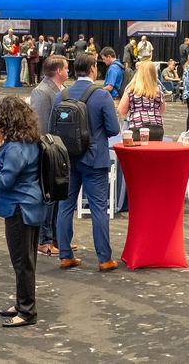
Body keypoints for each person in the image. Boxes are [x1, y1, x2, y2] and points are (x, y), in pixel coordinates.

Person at [0, 96, 46, 327]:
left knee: (22, 262)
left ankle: (26, 311)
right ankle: (23, 303)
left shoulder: (14, 146)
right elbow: (16, 169)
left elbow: (5, 182)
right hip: (30, 204)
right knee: (26, 259)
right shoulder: (29, 140)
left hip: (18, 208)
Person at [56, 53, 120, 272]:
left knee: (65, 207)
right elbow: (113, 129)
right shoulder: (101, 95)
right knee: (98, 209)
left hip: (67, 159)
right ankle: (104, 259)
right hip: (94, 160)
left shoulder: (61, 95)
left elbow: (51, 129)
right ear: (93, 68)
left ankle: (65, 256)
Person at [29, 54, 69, 255]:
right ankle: (44, 241)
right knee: (48, 198)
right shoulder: (42, 92)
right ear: (59, 71)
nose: (69, 71)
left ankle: (55, 238)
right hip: (47, 151)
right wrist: (48, 151)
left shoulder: (57, 90)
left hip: (56, 150)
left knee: (56, 196)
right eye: (66, 68)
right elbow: (40, 126)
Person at [118, 60, 165, 141]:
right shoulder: (159, 90)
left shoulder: (131, 89)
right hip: (157, 129)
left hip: (138, 128)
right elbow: (161, 110)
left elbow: (121, 111)